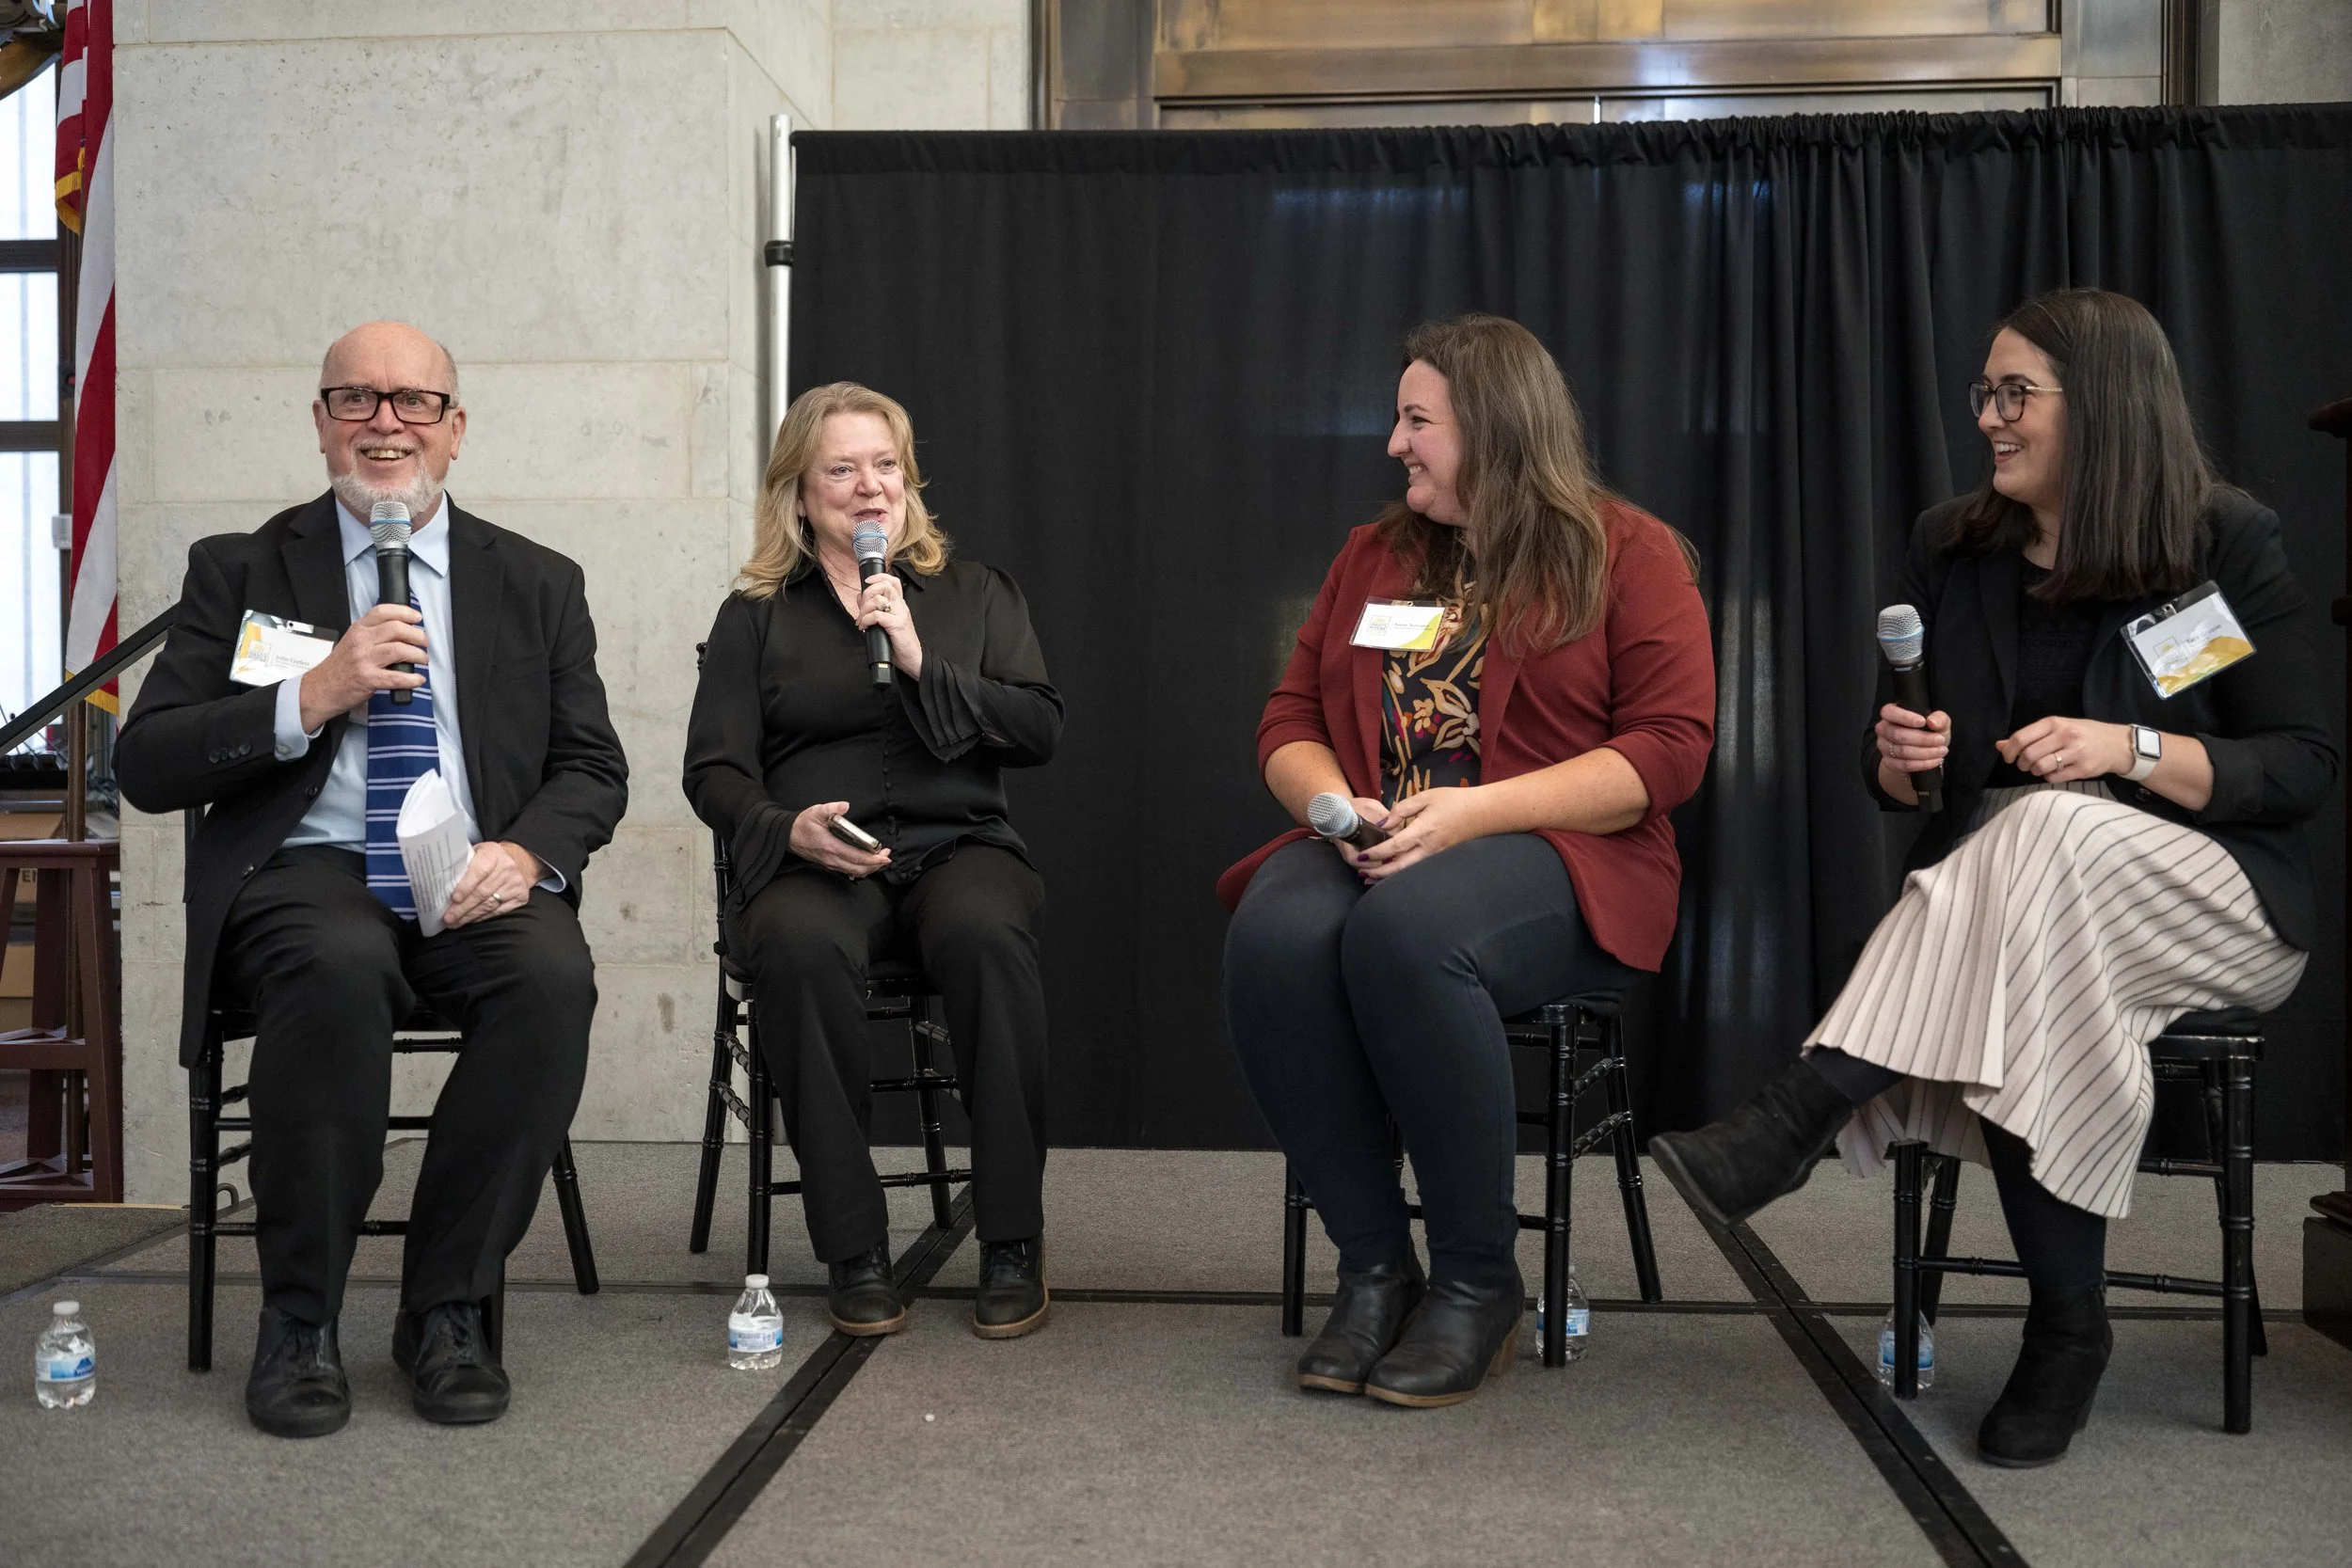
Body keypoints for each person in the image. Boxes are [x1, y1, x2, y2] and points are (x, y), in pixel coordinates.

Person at [1650, 288, 2334, 1467]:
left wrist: (2126, 748)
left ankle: (1810, 1102)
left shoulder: (2219, 541)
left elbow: (2299, 766)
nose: (1990, 418)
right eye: (1984, 393)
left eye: (2015, 393)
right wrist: (1897, 758)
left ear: (2105, 403)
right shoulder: (1955, 548)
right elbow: (1925, 785)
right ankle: (2068, 1330)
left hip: (2210, 895)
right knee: (2034, 919)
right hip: (2018, 912)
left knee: (2051, 827)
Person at [118, 322, 630, 1438]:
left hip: (469, 869)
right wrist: (311, 695)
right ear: (319, 422)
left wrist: (525, 853)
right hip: (310, 868)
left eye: (411, 401)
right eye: (356, 399)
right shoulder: (243, 568)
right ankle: (298, 1316)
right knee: (336, 965)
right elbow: (147, 761)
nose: (384, 422)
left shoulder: (538, 581)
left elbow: (592, 765)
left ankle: (448, 1306)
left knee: (550, 980)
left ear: (454, 430)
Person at [1217, 314, 1715, 1408]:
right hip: (1378, 835)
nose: (1394, 444)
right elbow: (1289, 715)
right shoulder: (1377, 555)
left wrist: (1474, 812)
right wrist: (1331, 804)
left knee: (1410, 931)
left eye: (1416, 420)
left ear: (1491, 427)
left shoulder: (1625, 552)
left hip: (1559, 853)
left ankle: (1480, 1282)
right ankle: (1375, 1265)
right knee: (1274, 929)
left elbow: (1668, 752)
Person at [683, 382, 1063, 1340]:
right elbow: (713, 771)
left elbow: (1037, 728)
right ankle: (853, 1247)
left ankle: (1012, 1235)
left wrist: (921, 654)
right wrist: (782, 825)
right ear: (800, 494)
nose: (868, 487)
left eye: (885, 465)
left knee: (985, 934)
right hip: (819, 859)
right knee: (800, 950)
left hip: (959, 845)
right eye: (841, 469)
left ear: (909, 482)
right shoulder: (756, 616)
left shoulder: (974, 593)